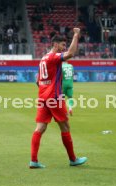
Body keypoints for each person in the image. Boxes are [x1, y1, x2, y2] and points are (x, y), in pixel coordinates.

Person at [30, 28, 87, 169]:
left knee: (40, 127)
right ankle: (73, 159)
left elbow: (38, 81)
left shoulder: (43, 58)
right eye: (62, 45)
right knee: (65, 126)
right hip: (54, 98)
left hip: (43, 97)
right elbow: (71, 53)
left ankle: (33, 160)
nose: (64, 48)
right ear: (55, 45)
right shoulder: (53, 57)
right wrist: (75, 35)